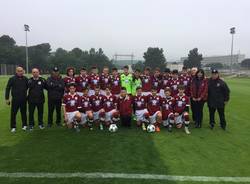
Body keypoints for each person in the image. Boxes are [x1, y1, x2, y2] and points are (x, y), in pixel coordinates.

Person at [5, 66, 28, 132]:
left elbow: (29, 87)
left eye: (21, 71)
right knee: (13, 113)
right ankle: (13, 127)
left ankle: (24, 125)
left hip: (23, 99)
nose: (20, 72)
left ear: (23, 71)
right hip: (15, 99)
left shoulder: (25, 78)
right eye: (19, 71)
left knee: (23, 113)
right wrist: (7, 98)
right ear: (16, 71)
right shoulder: (12, 79)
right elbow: (8, 88)